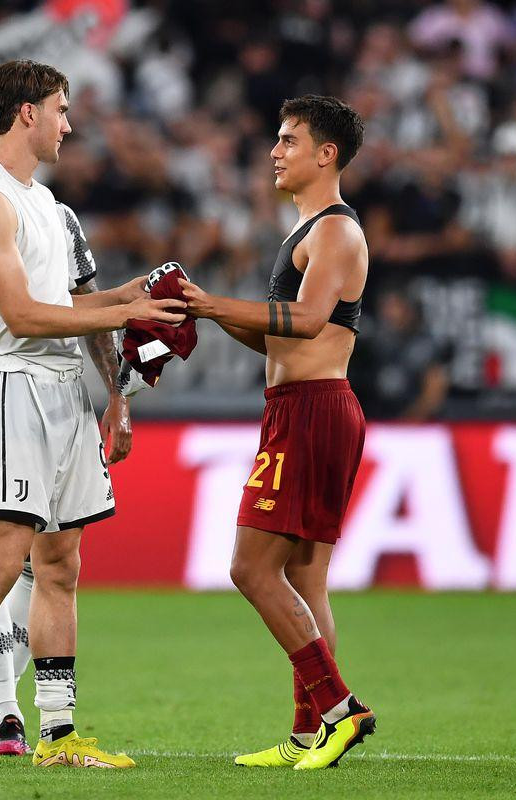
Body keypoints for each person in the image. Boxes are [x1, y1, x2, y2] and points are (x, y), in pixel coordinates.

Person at [0, 60, 185, 769]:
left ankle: (58, 734)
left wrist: (144, 294)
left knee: (61, 566)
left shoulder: (43, 200)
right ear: (26, 112)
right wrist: (127, 309)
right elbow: (23, 315)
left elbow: (70, 302)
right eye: (61, 108)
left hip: (62, 391)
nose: (69, 122)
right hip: (8, 388)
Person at [179, 95, 376, 770]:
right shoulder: (309, 230)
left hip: (314, 411)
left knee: (250, 568)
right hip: (305, 406)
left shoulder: (336, 233)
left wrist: (214, 303)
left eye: (290, 140)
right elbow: (273, 332)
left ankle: (340, 710)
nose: (275, 150)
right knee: (305, 579)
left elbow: (309, 320)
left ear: (327, 154)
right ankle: (308, 734)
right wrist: (203, 311)